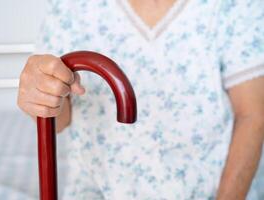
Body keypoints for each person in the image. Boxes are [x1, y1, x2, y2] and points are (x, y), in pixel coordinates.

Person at [17, 0, 264, 199]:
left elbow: (252, 115)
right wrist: (40, 96)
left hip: (212, 190)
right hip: (99, 190)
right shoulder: (72, 8)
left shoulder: (233, 6)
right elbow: (58, 121)